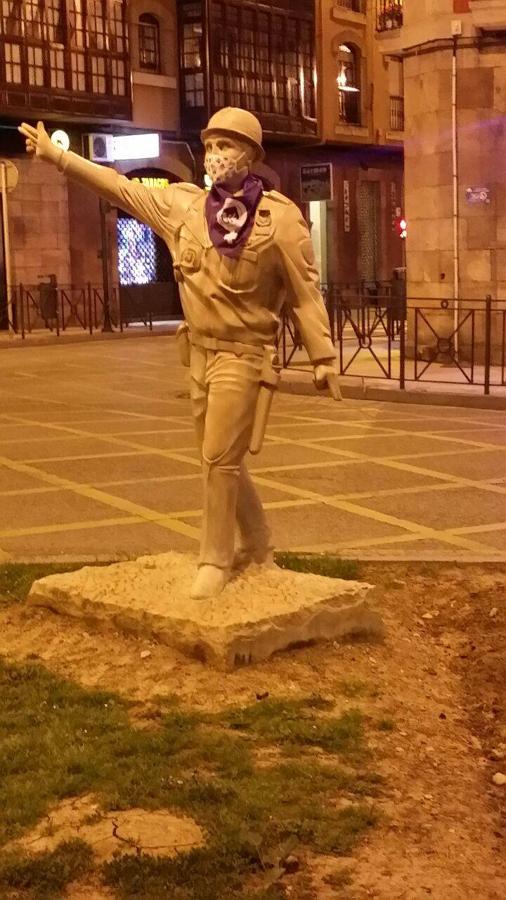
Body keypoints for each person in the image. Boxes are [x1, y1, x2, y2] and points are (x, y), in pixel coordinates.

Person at [19, 108, 341, 599]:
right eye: (210, 147)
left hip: (244, 355)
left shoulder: (281, 221)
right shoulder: (185, 207)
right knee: (221, 458)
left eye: (226, 147)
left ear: (251, 156)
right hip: (197, 354)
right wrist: (59, 157)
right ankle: (258, 543)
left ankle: (214, 559)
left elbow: (305, 292)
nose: (215, 157)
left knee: (217, 459)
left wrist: (323, 356)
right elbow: (120, 188)